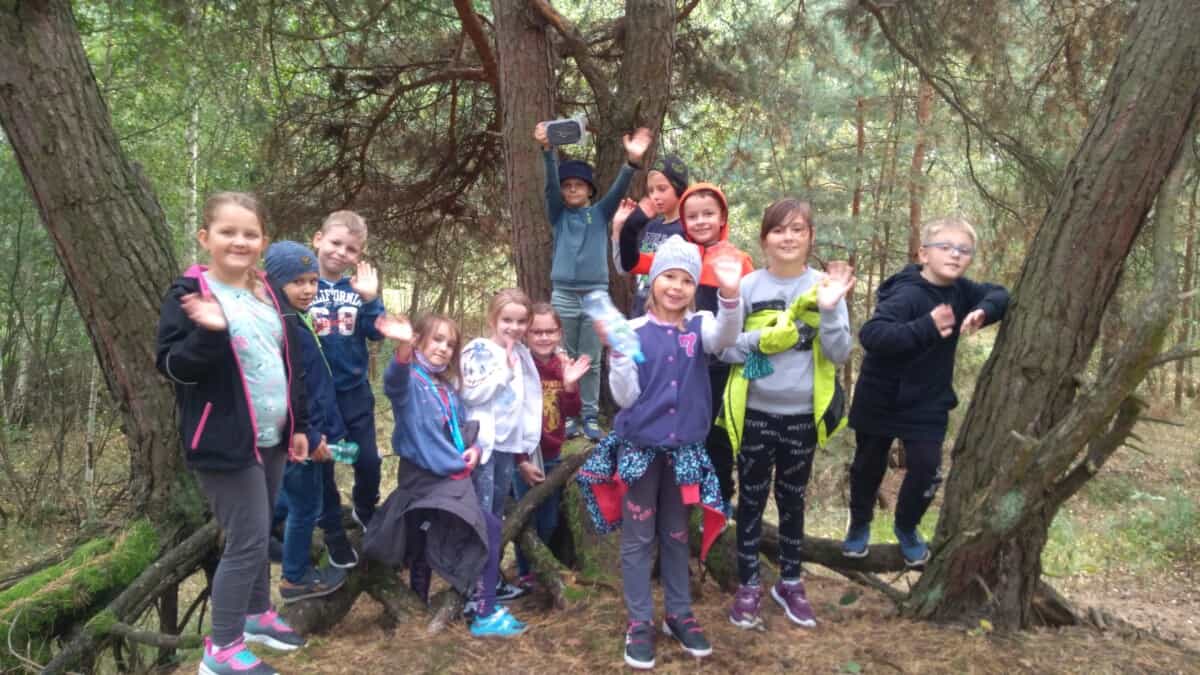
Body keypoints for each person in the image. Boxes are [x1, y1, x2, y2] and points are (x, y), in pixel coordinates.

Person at [156, 192, 308, 675]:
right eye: (228, 232)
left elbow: (287, 361)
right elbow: (172, 366)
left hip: (272, 435)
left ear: (263, 241)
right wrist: (209, 331)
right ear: (206, 238)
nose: (239, 241)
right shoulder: (190, 293)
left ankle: (256, 614)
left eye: (249, 233)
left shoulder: (267, 291)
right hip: (223, 441)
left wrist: (298, 425)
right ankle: (220, 650)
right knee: (247, 539)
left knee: (259, 533)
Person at [576, 235, 743, 670]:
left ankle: (679, 613)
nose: (677, 287)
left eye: (686, 280)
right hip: (640, 454)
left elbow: (727, 336)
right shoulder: (632, 332)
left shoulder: (701, 326)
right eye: (669, 276)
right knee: (638, 538)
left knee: (676, 534)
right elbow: (625, 398)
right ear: (652, 281)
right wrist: (618, 355)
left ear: (695, 288)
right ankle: (639, 621)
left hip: (684, 454)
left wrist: (730, 294)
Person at [717, 199, 854, 629]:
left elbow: (840, 352)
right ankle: (748, 586)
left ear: (810, 238)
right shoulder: (748, 286)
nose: (788, 237)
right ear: (764, 240)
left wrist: (829, 310)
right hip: (755, 414)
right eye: (779, 230)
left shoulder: (825, 287)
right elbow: (724, 347)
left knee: (793, 500)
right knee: (751, 500)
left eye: (798, 229)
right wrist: (764, 339)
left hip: (802, 417)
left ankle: (790, 583)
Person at [842, 216, 1009, 566]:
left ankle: (906, 526)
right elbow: (873, 335)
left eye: (963, 250)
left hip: (927, 400)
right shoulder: (906, 293)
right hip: (881, 397)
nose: (955, 254)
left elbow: (999, 294)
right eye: (945, 247)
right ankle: (859, 524)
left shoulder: (962, 290)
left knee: (927, 468)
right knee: (868, 466)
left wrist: (983, 311)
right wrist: (927, 326)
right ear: (923, 254)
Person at [373, 313, 529, 638]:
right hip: (425, 478)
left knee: (427, 534)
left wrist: (472, 450)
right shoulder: (411, 381)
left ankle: (422, 600)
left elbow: (456, 429)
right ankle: (484, 611)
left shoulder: (444, 386)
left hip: (452, 475)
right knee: (486, 528)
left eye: (450, 344)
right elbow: (393, 382)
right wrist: (403, 347)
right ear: (419, 340)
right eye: (437, 339)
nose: (444, 348)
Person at [625, 183, 755, 507]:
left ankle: (719, 500)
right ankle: (679, 499)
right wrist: (627, 225)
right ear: (683, 220)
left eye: (708, 214)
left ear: (722, 217)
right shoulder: (678, 257)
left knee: (717, 435)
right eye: (692, 216)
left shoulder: (738, 260)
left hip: (720, 363)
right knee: (676, 429)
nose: (700, 222)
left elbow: (751, 311)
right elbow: (632, 261)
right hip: (681, 363)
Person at [535, 121, 652, 441]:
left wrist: (632, 162)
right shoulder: (559, 215)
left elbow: (617, 191)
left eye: (579, 185)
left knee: (591, 359)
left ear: (589, 190)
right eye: (567, 185)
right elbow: (549, 187)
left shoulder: (600, 213)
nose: (572, 189)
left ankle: (589, 416)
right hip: (563, 295)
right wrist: (547, 150)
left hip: (595, 295)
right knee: (563, 357)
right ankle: (568, 416)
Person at [264, 241, 356, 603]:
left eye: (313, 281)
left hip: (307, 432)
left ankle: (264, 531)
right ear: (276, 282)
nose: (307, 290)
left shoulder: (294, 317)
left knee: (296, 495)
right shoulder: (283, 324)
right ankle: (295, 577)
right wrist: (313, 434)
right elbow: (292, 389)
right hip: (300, 437)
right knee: (306, 506)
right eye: (297, 282)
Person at [460, 288, 542, 601]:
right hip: (483, 446)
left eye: (521, 322)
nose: (514, 327)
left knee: (494, 514)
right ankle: (474, 587)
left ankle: (489, 582)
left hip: (507, 446)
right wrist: (503, 373)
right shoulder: (479, 350)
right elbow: (469, 394)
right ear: (493, 319)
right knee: (480, 515)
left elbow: (527, 398)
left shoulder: (522, 353)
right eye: (507, 320)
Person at [309, 210, 386, 531]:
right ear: (318, 239)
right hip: (315, 393)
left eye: (351, 249)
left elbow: (376, 333)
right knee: (321, 460)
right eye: (335, 243)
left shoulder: (357, 288)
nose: (341, 252)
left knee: (367, 459)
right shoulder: (301, 283)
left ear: (359, 255)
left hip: (354, 390)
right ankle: (327, 518)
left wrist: (370, 299)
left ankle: (364, 508)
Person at [512, 303, 590, 587]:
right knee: (526, 515)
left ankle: (542, 567)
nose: (544, 337)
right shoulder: (519, 366)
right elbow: (511, 416)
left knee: (549, 519)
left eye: (550, 331)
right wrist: (520, 460)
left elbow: (572, 411)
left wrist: (569, 385)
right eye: (537, 332)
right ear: (526, 334)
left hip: (553, 452)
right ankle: (526, 572)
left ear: (559, 333)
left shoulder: (561, 366)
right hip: (525, 455)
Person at [611, 154, 690, 317]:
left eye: (662, 189)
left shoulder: (687, 231)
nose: (655, 196)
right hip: (640, 316)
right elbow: (623, 268)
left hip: (669, 319)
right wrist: (618, 229)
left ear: (679, 188)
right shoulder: (650, 226)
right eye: (651, 190)